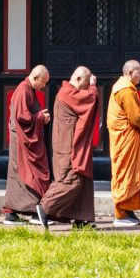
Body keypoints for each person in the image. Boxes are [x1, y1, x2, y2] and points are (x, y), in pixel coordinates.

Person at [40, 66, 100, 228]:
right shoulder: (67, 92)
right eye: (86, 84)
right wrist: (93, 87)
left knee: (84, 180)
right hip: (68, 145)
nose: (87, 87)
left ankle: (81, 220)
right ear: (78, 79)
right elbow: (88, 99)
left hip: (76, 142)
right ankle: (44, 207)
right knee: (71, 180)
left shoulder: (69, 92)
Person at [107, 59, 140, 226]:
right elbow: (135, 117)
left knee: (128, 173)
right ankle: (121, 214)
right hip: (127, 139)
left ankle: (127, 210)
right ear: (130, 73)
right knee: (126, 174)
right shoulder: (126, 90)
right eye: (139, 72)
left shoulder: (120, 87)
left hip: (127, 139)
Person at [3, 65, 51, 227]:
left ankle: (16, 213)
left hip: (23, 140)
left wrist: (38, 115)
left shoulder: (28, 90)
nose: (43, 86)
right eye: (43, 82)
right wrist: (40, 117)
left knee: (21, 174)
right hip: (22, 141)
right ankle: (29, 212)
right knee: (27, 174)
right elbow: (22, 117)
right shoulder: (23, 90)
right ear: (35, 77)